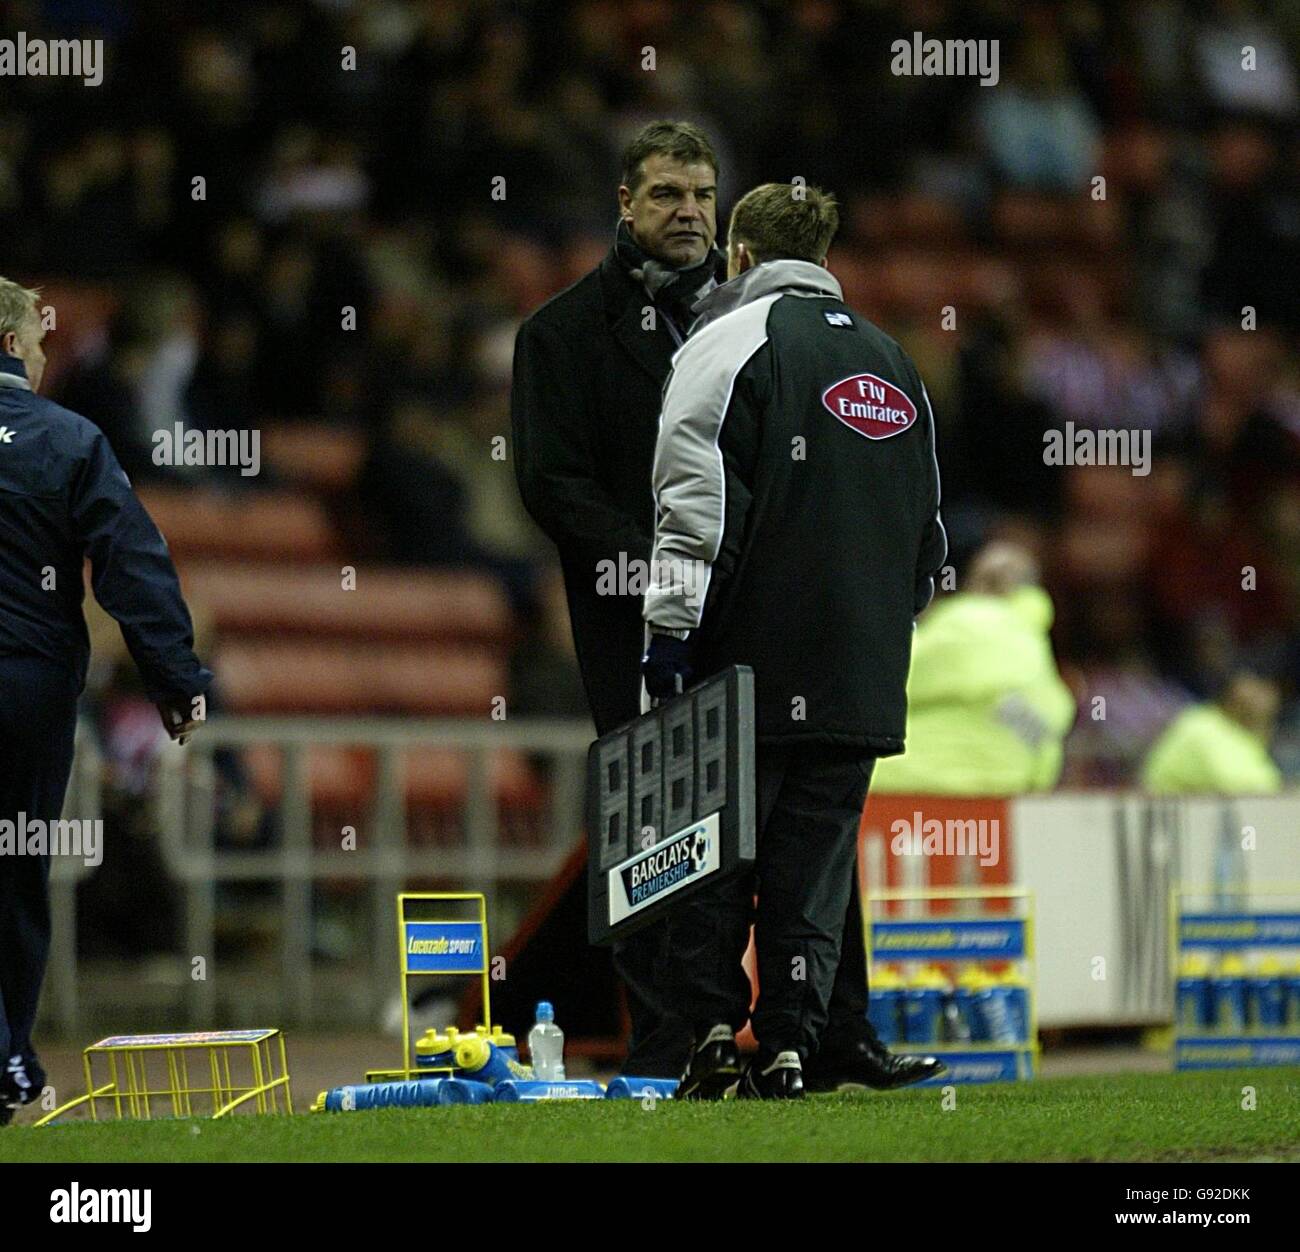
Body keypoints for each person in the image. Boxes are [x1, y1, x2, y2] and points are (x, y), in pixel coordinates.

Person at [641, 184, 948, 1098]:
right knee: (812, 874)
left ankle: (707, 1040)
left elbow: (694, 510)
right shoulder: (896, 362)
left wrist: (668, 640)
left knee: (713, 859)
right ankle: (787, 1047)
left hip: (744, 660)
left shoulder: (727, 344)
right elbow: (927, 541)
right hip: (860, 670)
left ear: (739, 255)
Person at [511, 121, 727, 1076]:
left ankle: (746, 1031)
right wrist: (657, 569)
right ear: (625, 208)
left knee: (748, 825)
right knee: (651, 825)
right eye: (668, 195)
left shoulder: (749, 320)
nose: (689, 212)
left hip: (747, 609)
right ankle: (666, 1044)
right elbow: (552, 483)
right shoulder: (558, 334)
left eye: (703, 196)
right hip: (629, 619)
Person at [0, 278, 210, 1125]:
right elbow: (132, 559)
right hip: (28, 686)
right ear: (13, 343)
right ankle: (9, 1061)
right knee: (15, 878)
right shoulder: (69, 439)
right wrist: (175, 678)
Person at [872, 542, 1077, 795]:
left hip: (907, 785)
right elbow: (1049, 747)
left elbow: (884, 682)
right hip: (1000, 797)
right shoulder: (1033, 643)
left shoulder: (966, 621)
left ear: (976, 581)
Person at [1141, 671, 1283, 795]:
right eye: (1254, 687)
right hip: (1169, 817)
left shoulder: (1241, 734)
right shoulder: (1202, 725)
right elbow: (1246, 787)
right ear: (1232, 693)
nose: (1262, 697)